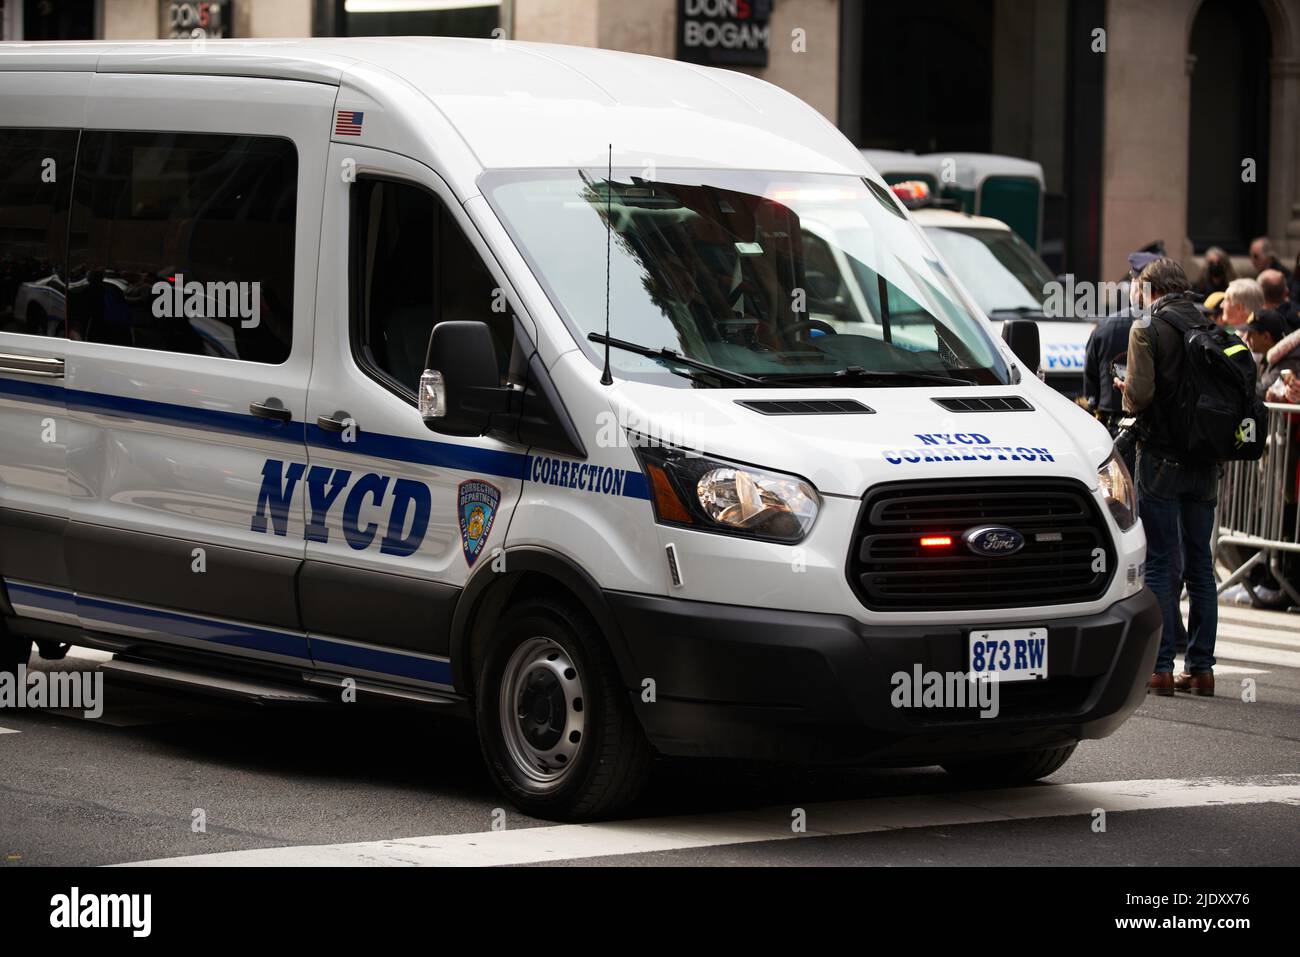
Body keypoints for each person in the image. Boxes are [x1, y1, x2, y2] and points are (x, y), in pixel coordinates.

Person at [1117, 258, 1220, 696]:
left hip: (1160, 458)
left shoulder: (1146, 329)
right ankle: (1201, 668)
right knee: (1200, 563)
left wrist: (1124, 390)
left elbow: (1139, 398)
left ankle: (1159, 669)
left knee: (1160, 559)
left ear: (1152, 289)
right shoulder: (1212, 327)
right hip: (1205, 461)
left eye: (1140, 288)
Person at [1085, 251, 1157, 445]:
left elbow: (1091, 388)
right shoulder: (1170, 326)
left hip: (1115, 432)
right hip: (1157, 435)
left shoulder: (1106, 327)